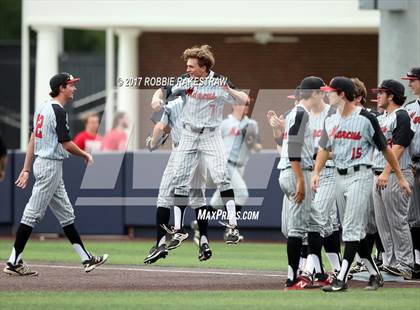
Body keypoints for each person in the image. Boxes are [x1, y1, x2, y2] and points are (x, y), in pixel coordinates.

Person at [3, 72, 108, 276]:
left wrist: (26, 168)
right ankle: (13, 261)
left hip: (47, 164)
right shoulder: (57, 111)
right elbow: (66, 143)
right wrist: (85, 154)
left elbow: (33, 137)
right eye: (71, 85)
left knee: (66, 214)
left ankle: (86, 258)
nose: (74, 88)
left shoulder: (42, 106)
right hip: (50, 165)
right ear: (61, 87)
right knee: (32, 214)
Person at [313, 76, 411, 292]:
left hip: (361, 174)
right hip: (339, 175)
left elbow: (385, 149)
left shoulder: (366, 118)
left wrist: (400, 176)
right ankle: (375, 275)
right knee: (356, 230)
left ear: (342, 95)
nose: (327, 95)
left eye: (331, 91)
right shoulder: (330, 119)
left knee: (351, 228)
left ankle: (341, 278)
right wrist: (316, 172)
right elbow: (324, 149)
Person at [152, 45, 249, 244]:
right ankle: (178, 229)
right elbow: (163, 91)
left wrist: (229, 89)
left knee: (222, 176)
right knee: (180, 178)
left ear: (203, 67)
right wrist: (156, 99)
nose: (187, 69)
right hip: (189, 133)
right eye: (187, 65)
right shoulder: (186, 80)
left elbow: (245, 99)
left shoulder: (219, 82)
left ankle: (232, 226)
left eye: (191, 66)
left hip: (211, 135)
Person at [144, 96, 211, 264]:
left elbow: (160, 127)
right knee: (198, 198)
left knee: (164, 197)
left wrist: (152, 143)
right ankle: (204, 242)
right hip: (202, 151)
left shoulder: (173, 104)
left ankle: (161, 243)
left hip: (182, 151)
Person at [278, 76, 325, 290]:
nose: (323, 95)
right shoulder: (300, 113)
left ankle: (319, 273)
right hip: (296, 171)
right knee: (297, 229)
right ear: (313, 93)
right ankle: (292, 278)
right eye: (321, 92)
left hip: (297, 170)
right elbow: (293, 149)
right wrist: (300, 179)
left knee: (316, 223)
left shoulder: (296, 112)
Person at [371, 79, 415, 280]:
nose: (378, 95)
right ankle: (390, 263)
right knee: (383, 223)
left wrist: (387, 172)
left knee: (397, 221)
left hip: (397, 174)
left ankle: (405, 264)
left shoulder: (402, 116)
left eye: (381, 92)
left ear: (391, 96)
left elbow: (398, 147)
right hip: (379, 174)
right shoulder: (382, 117)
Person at [208, 99, 262, 242]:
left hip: (240, 166)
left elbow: (257, 147)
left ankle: (198, 224)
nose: (245, 107)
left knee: (218, 201)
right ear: (234, 105)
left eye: (247, 104)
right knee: (241, 193)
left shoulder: (251, 124)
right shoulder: (225, 123)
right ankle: (231, 230)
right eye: (242, 104)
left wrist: (251, 141)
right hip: (226, 164)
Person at [350, 77, 385, 274]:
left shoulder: (371, 116)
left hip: (370, 172)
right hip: (352, 175)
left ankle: (380, 256)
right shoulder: (344, 117)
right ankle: (363, 260)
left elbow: (380, 147)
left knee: (372, 221)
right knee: (360, 221)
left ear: (358, 97)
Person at [402, 67, 420, 278]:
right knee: (414, 218)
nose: (409, 84)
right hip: (414, 165)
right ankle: (417, 260)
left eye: (413, 80)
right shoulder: (409, 109)